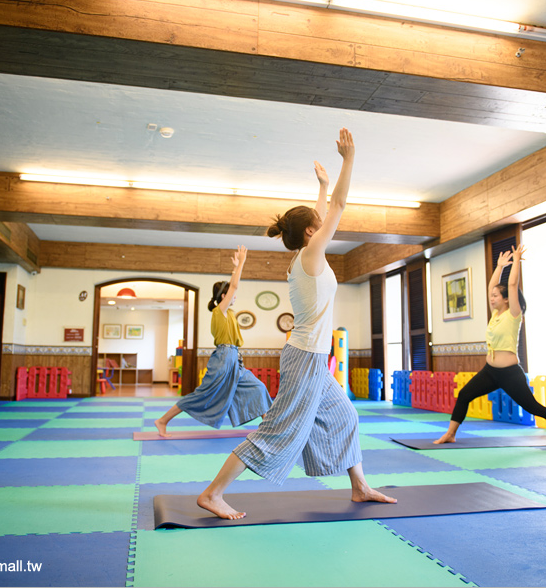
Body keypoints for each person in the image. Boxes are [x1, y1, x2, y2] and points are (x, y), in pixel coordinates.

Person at [197, 128, 397, 520]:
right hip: (305, 357)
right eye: (317, 224)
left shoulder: (305, 255)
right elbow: (337, 206)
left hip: (312, 357)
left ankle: (359, 486)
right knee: (279, 430)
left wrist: (321, 185)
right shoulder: (311, 255)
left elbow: (319, 213)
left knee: (345, 415)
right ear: (311, 233)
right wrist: (348, 160)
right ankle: (212, 493)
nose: (323, 224)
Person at [434, 244, 546, 445]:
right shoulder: (495, 314)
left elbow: (512, 285)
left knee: (533, 407)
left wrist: (516, 261)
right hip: (490, 371)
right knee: (465, 394)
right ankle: (450, 434)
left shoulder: (513, 315)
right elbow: (492, 284)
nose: (491, 298)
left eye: (495, 296)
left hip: (510, 373)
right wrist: (499, 266)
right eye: (491, 296)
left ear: (507, 300)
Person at [154, 245, 272, 437]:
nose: (235, 295)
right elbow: (234, 286)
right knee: (203, 394)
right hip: (224, 358)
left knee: (257, 387)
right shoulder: (220, 311)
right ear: (224, 297)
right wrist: (241, 263)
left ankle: (267, 426)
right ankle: (162, 420)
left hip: (234, 359)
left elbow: (231, 287)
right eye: (231, 294)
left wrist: (235, 268)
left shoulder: (230, 313)